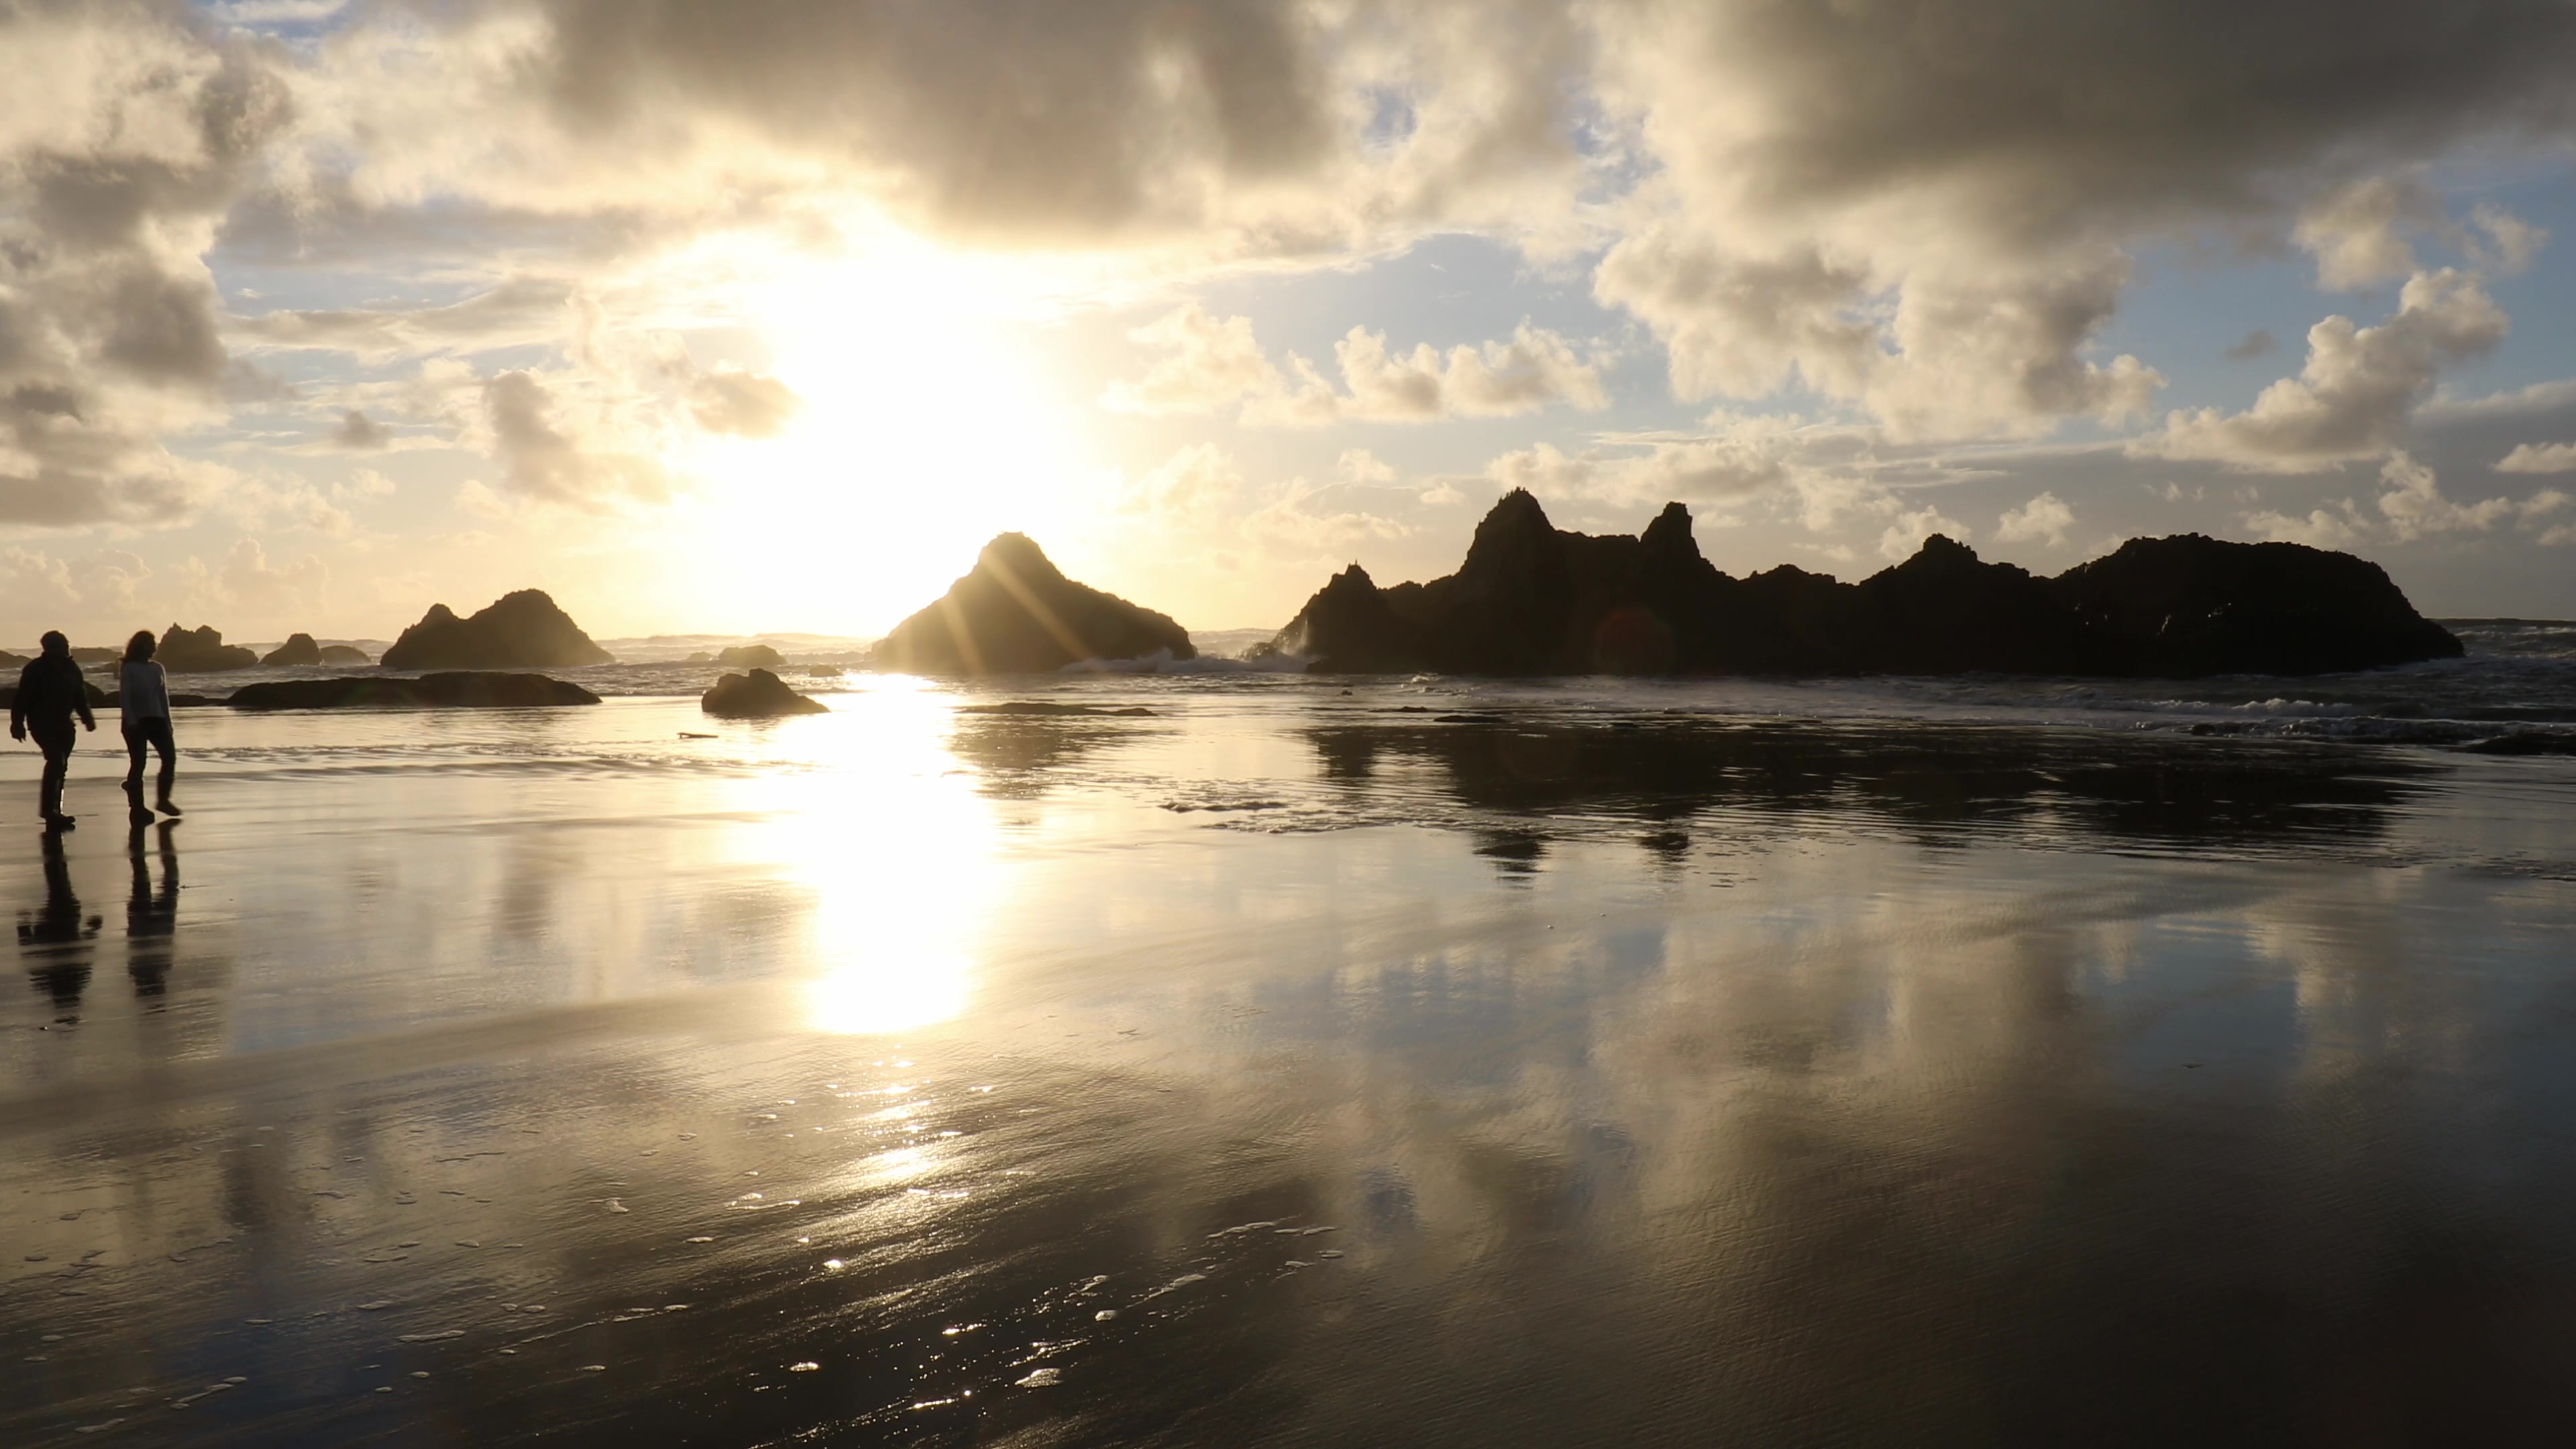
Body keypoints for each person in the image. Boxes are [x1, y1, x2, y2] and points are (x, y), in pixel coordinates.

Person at [10, 631, 96, 829]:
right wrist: (17, 724)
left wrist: (87, 719)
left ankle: (55, 810)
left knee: (61, 767)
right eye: (64, 645)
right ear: (51, 648)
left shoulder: (71, 667)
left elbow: (80, 696)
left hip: (65, 724)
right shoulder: (35, 669)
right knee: (57, 761)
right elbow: (22, 699)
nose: (67, 648)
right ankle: (49, 810)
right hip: (41, 724)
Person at [117, 629, 181, 823]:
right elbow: (125, 697)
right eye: (150, 643)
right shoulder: (129, 669)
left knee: (169, 758)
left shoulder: (157, 668)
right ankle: (136, 808)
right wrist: (131, 721)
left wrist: (168, 722)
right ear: (140, 646)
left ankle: (163, 800)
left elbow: (163, 697)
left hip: (157, 719)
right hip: (136, 721)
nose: (154, 647)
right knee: (139, 763)